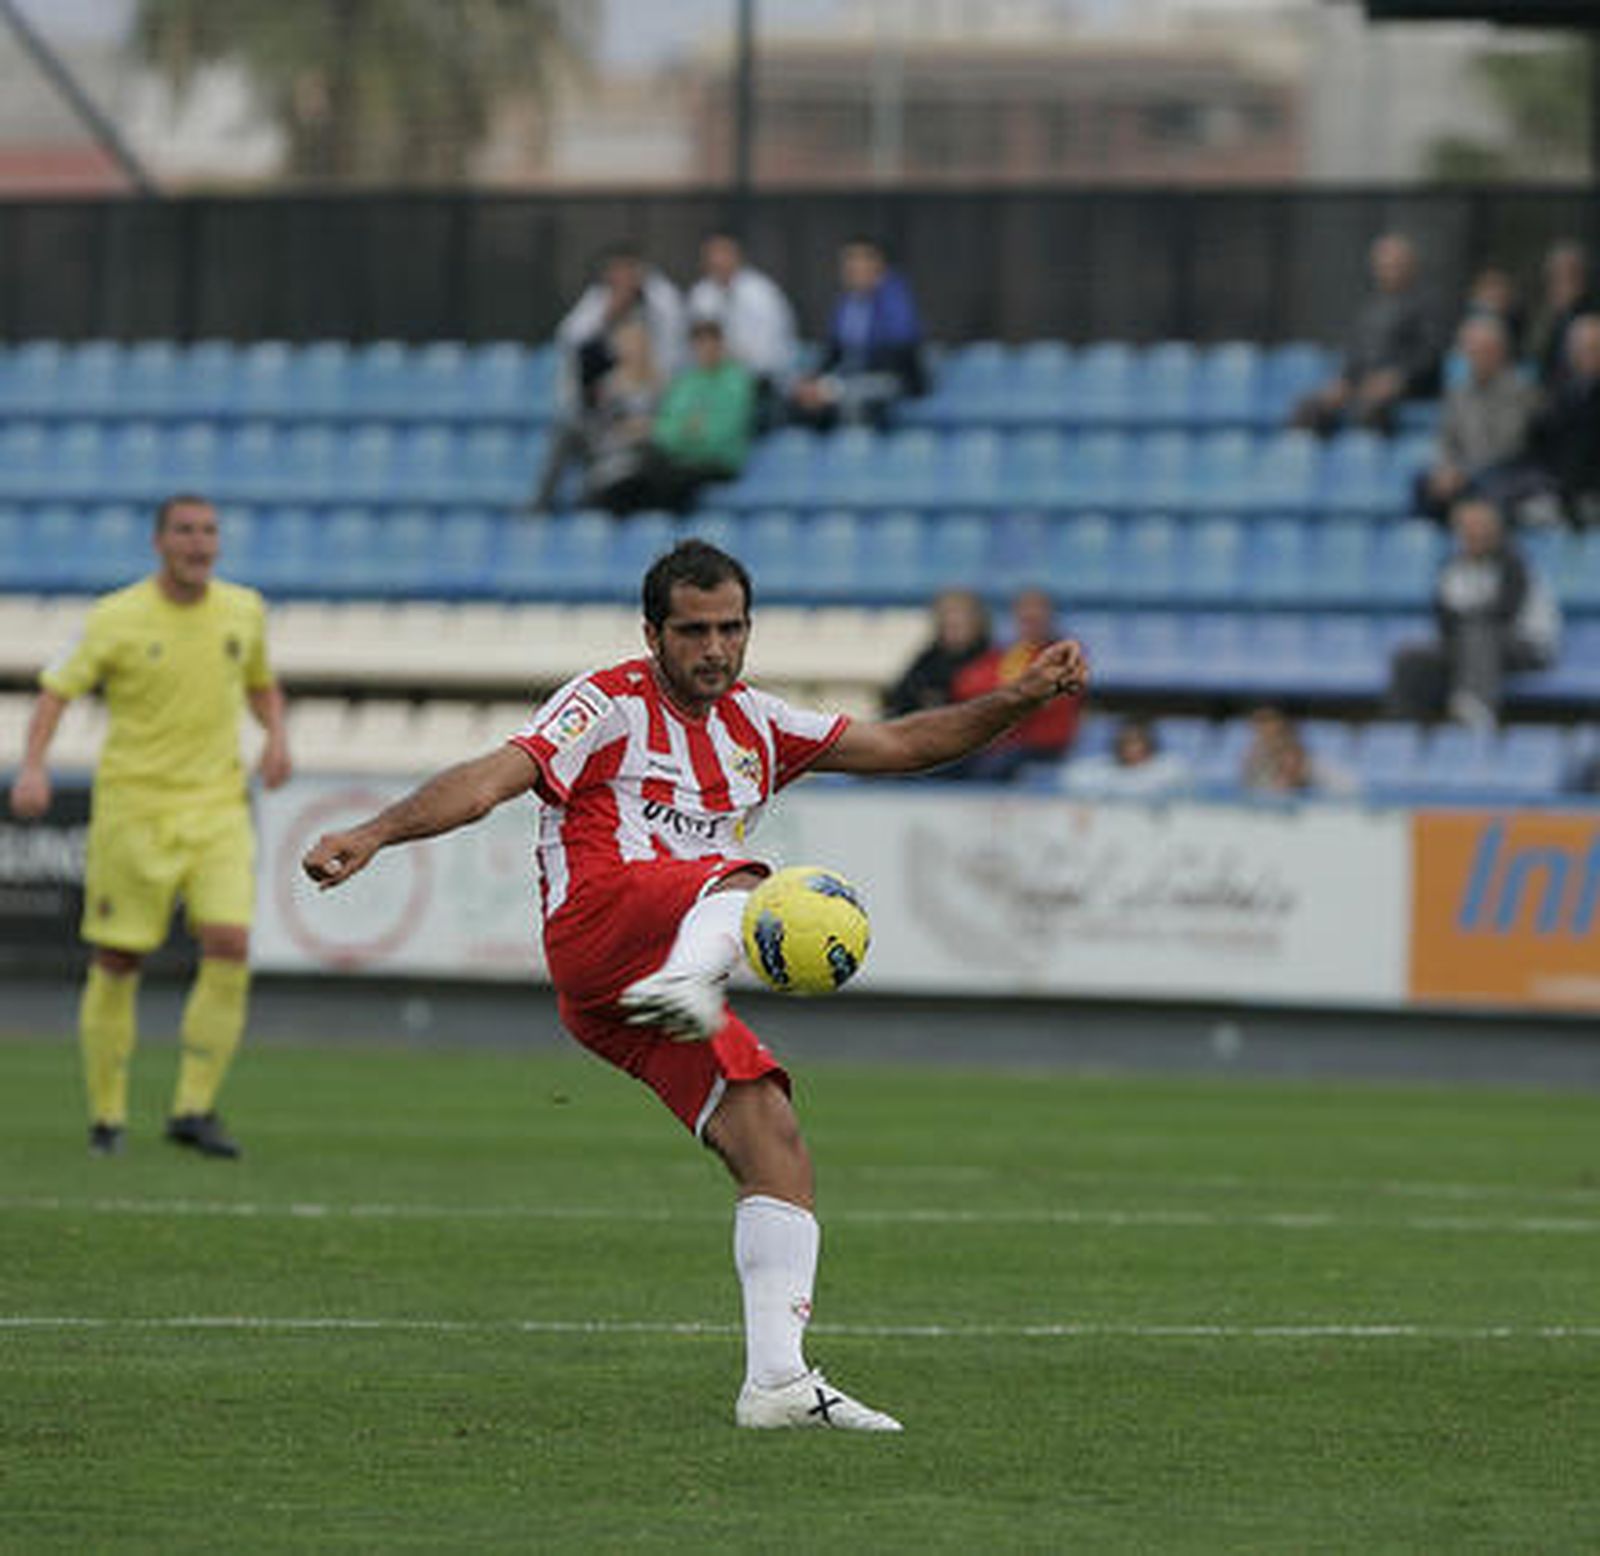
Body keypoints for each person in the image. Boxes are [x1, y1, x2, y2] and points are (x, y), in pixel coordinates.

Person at [300, 539, 1087, 1433]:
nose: (715, 648)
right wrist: (374, 831)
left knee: (773, 1136)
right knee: (751, 878)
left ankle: (778, 1383)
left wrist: (1018, 699)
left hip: (631, 998)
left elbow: (904, 742)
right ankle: (690, 975)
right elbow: (490, 779)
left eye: (731, 628)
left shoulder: (759, 723)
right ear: (653, 634)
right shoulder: (606, 704)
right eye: (694, 631)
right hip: (599, 930)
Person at [6, 494, 291, 1158]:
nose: (200, 542)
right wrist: (33, 767)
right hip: (134, 811)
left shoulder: (243, 608)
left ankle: (193, 1107)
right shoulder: (115, 617)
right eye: (186, 531)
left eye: (210, 531)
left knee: (230, 944)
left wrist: (276, 735)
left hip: (218, 807)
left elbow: (259, 681)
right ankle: (107, 1116)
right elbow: (56, 691)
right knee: (119, 957)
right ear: (159, 542)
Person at [531, 243, 687, 511]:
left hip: (643, 446)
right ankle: (542, 505)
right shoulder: (598, 306)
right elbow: (569, 339)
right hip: (609, 441)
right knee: (570, 432)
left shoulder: (662, 304)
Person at [1386, 497, 1561, 729]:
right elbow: (1443, 619)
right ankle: (1403, 730)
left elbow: (1503, 613)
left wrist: (1465, 617)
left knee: (1479, 630)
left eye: (1479, 527)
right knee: (1410, 656)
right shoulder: (1451, 567)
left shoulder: (1514, 564)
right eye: (1466, 528)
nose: (1472, 534)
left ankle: (1478, 709)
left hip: (1528, 647)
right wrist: (1465, 620)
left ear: (1495, 530)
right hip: (1469, 647)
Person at [595, 319, 757, 516]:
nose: (705, 349)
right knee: (628, 481)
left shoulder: (736, 382)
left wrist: (681, 433)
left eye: (710, 343)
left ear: (720, 344)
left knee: (669, 481)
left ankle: (659, 528)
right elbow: (663, 427)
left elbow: (720, 436)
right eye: (699, 344)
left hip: (716, 463)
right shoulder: (685, 382)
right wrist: (686, 431)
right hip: (679, 459)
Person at [1293, 232, 1443, 434]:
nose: (1388, 269)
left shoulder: (1426, 304)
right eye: (1383, 264)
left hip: (1404, 389)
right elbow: (1355, 353)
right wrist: (1344, 381)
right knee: (1309, 409)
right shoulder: (1370, 308)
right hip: (1363, 384)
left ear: (1411, 266)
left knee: (1368, 409)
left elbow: (1429, 354)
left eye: (1396, 264)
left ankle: (1368, 463)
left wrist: (1398, 377)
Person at [788, 237, 928, 431]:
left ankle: (852, 455)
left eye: (862, 262)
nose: (854, 269)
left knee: (850, 399)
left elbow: (896, 358)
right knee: (797, 394)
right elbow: (834, 353)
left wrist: (835, 386)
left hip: (894, 380)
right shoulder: (846, 305)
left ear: (879, 266)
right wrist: (814, 381)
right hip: (851, 380)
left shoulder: (895, 301)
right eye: (849, 263)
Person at [946, 588, 1083, 782]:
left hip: (1041, 745)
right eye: (1025, 617)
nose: (1030, 622)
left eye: (1036, 617)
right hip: (1000, 741)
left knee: (995, 767)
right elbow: (965, 685)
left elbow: (1040, 702)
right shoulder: (1009, 654)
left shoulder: (1062, 655)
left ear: (1049, 619)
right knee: (943, 757)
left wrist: (1003, 697)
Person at [1412, 315, 1540, 521]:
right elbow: (1446, 439)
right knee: (1421, 482)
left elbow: (1510, 444)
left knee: (1490, 484)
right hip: (1463, 474)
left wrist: (1464, 472)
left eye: (1484, 351)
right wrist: (1446, 467)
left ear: (1501, 352)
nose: (1477, 357)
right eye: (1471, 351)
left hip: (1504, 472)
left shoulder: (1520, 392)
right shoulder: (1457, 393)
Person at [685, 230, 798, 416]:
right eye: (712, 256)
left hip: (760, 381)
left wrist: (729, 359)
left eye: (723, 254)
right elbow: (694, 349)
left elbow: (769, 357)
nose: (718, 261)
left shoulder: (763, 294)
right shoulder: (700, 295)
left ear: (738, 256)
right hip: (712, 380)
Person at [574, 319, 665, 511]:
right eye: (627, 344)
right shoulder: (607, 388)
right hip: (611, 465)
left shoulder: (661, 385)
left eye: (637, 343)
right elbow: (601, 428)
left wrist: (641, 428)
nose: (633, 350)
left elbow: (663, 427)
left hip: (643, 464)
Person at [1526, 313, 1600, 527]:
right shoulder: (1562, 393)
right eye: (1578, 348)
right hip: (1560, 491)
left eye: (1593, 348)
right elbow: (1540, 443)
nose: (1584, 355)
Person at [882, 588, 992, 717]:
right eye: (945, 615)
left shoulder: (993, 661)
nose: (951, 621)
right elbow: (898, 700)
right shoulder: (928, 660)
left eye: (959, 616)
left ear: (977, 621)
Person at [1060, 716, 1191, 800]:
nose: (1128, 748)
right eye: (1124, 742)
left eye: (1135, 742)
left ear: (1149, 745)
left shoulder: (1167, 770)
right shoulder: (1100, 771)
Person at [1527, 240, 1597, 392]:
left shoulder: (1588, 314)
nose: (1557, 283)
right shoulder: (1547, 312)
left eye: (1564, 275)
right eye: (1553, 276)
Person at [1238, 706, 1353, 798]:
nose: (1260, 729)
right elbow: (1247, 781)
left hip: (1333, 790)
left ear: (1279, 724)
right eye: (1258, 723)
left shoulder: (1293, 750)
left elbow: (1288, 784)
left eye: (1265, 722)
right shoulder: (1255, 750)